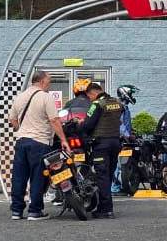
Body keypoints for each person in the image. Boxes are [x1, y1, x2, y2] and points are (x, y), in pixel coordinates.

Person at [9, 70, 69, 221]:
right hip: (40, 142)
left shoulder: (20, 97)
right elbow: (54, 120)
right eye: (49, 81)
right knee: (38, 177)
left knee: (19, 177)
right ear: (42, 81)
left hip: (21, 142)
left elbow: (13, 120)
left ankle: (16, 211)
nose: (50, 84)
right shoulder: (45, 97)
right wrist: (63, 140)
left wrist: (23, 129)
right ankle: (35, 211)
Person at [80, 82, 125, 219]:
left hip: (101, 144)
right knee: (108, 176)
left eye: (89, 97)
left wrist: (79, 125)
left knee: (102, 176)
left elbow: (87, 125)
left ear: (93, 93)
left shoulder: (97, 104)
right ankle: (104, 207)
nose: (90, 99)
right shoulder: (117, 103)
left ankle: (106, 209)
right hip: (115, 143)